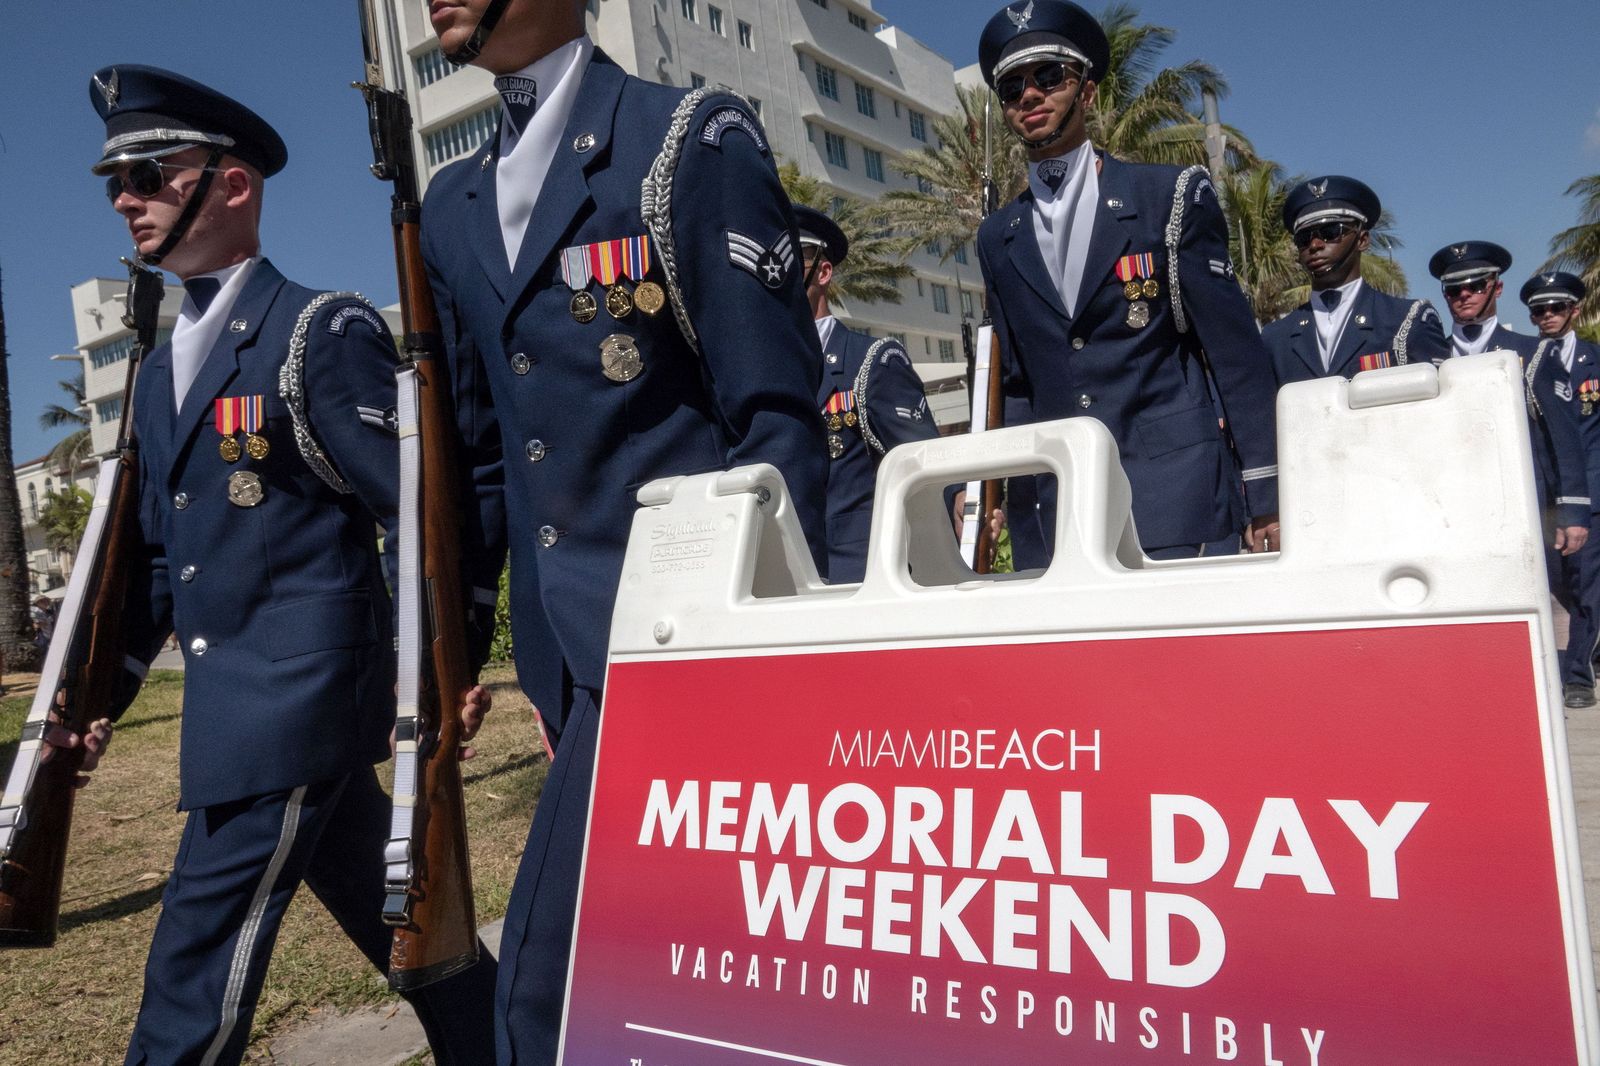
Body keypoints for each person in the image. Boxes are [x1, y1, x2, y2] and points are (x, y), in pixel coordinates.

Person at [420, 2, 829, 1059]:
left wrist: (771, 651)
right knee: (674, 971)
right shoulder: (452, 200)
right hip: (564, 660)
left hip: (683, 642)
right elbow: (477, 458)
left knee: (542, 998)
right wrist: (454, 641)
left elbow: (773, 419)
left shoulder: (684, 140)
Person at [65, 65, 497, 1064]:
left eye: (147, 173)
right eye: (113, 183)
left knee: (192, 973)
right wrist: (104, 700)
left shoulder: (317, 332)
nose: (125, 198)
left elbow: (421, 517)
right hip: (243, 717)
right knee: (416, 944)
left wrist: (436, 670)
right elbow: (170, 568)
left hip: (299, 705)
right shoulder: (163, 369)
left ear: (232, 184)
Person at [975, 0, 1280, 564]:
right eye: (1012, 87)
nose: (1030, 96)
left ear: (1086, 91)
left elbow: (1235, 358)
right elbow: (1018, 385)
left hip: (1175, 493)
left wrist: (1268, 493)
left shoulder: (1168, 196)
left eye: (1048, 76)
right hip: (1060, 507)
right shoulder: (998, 236)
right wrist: (998, 500)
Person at [1431, 243, 1590, 703]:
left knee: (1545, 594)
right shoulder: (1430, 353)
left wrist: (1573, 507)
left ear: (1496, 288)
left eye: (1475, 285)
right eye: (1454, 289)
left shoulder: (1532, 352)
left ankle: (1556, 682)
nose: (1464, 295)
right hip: (1454, 505)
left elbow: (1563, 435)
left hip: (1523, 500)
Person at [793, 204, 944, 581]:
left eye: (791, 263)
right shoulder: (765, 370)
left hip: (858, 577)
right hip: (787, 579)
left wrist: (963, 507)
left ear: (822, 272)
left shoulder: (871, 361)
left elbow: (927, 462)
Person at [1263, 176, 1448, 383]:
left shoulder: (1407, 321)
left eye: (1330, 232)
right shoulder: (1275, 339)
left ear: (1362, 240)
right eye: (1304, 238)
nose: (1314, 245)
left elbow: (1440, 407)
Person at [1523, 271, 1600, 707]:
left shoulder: (1595, 361)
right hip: (1542, 494)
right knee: (1555, 585)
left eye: (1556, 308)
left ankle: (1578, 676)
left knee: (1588, 585)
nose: (1547, 316)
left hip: (1591, 491)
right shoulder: (1524, 359)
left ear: (1574, 310)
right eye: (1539, 310)